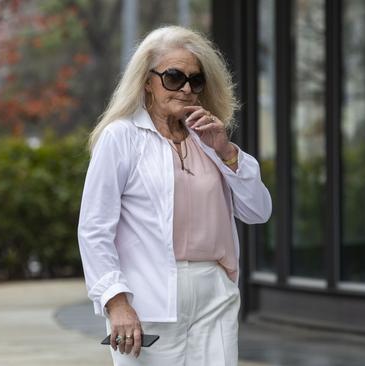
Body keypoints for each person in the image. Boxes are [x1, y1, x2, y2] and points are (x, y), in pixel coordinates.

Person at [77, 25, 272, 366]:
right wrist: (116, 301)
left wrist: (226, 150)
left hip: (214, 293)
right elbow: (95, 230)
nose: (185, 88)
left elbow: (258, 211)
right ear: (147, 81)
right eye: (173, 77)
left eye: (195, 81)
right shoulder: (121, 138)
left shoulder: (209, 140)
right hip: (147, 298)